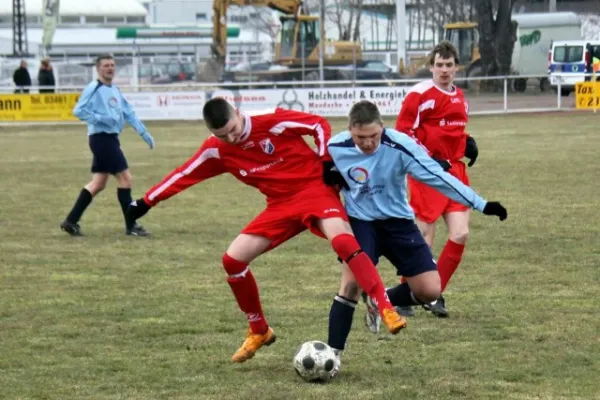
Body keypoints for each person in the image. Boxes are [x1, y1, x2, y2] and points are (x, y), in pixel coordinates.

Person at [127, 98, 408, 363]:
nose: (232, 139)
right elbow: (184, 173)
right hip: (280, 206)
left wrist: (325, 163)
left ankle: (385, 307)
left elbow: (317, 124)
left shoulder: (271, 120)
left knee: (343, 242)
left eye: (233, 130)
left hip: (315, 192)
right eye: (223, 135)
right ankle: (259, 329)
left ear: (237, 112)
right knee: (233, 260)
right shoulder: (217, 148)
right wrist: (147, 201)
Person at [323, 100, 507, 377]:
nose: (369, 143)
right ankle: (332, 356)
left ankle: (379, 298)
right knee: (350, 286)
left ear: (382, 128)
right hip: (360, 223)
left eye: (374, 136)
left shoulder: (398, 145)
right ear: (349, 130)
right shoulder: (335, 148)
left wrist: (481, 204)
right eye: (361, 137)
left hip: (398, 223)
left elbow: (436, 176)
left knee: (429, 290)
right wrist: (327, 178)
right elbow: (313, 175)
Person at [394, 40, 479, 317]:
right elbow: (403, 132)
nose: (444, 70)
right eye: (439, 65)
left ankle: (434, 293)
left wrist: (467, 142)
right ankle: (407, 293)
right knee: (424, 238)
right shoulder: (419, 94)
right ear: (431, 66)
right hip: (428, 173)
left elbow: (452, 129)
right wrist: (428, 159)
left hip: (455, 173)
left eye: (449, 65)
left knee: (461, 233)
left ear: (456, 68)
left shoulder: (459, 95)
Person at [60, 54, 155, 237]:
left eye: (112, 65)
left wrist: (144, 133)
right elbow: (78, 111)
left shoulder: (115, 90)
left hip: (110, 139)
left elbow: (129, 113)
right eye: (106, 65)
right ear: (98, 69)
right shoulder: (94, 88)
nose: (110, 68)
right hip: (101, 138)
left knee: (98, 183)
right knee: (126, 179)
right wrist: (101, 119)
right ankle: (131, 225)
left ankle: (70, 221)